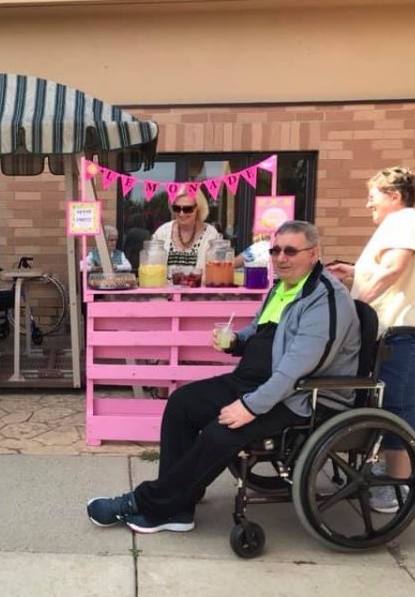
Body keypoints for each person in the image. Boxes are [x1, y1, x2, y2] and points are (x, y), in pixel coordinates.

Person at [87, 221, 361, 533]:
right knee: (182, 404)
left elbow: (296, 370)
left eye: (290, 251)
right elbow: (260, 329)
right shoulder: (282, 286)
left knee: (220, 432)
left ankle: (151, 503)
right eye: (275, 250)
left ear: (313, 253)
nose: (280, 257)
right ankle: (179, 504)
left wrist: (250, 407)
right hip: (253, 381)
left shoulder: (325, 299)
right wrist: (236, 341)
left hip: (298, 396)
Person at [327, 166, 415, 513]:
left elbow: (394, 269)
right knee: (397, 397)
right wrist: (355, 272)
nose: (367, 203)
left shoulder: (406, 220)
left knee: (397, 401)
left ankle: (398, 487)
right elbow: (391, 267)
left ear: (394, 196)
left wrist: (356, 308)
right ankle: (399, 465)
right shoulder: (401, 223)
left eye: (373, 196)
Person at [152, 189, 220, 278]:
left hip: (200, 291)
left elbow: (215, 274)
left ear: (198, 208)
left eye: (188, 209)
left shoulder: (211, 234)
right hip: (166, 291)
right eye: (177, 208)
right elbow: (152, 269)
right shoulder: (162, 232)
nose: (181, 213)